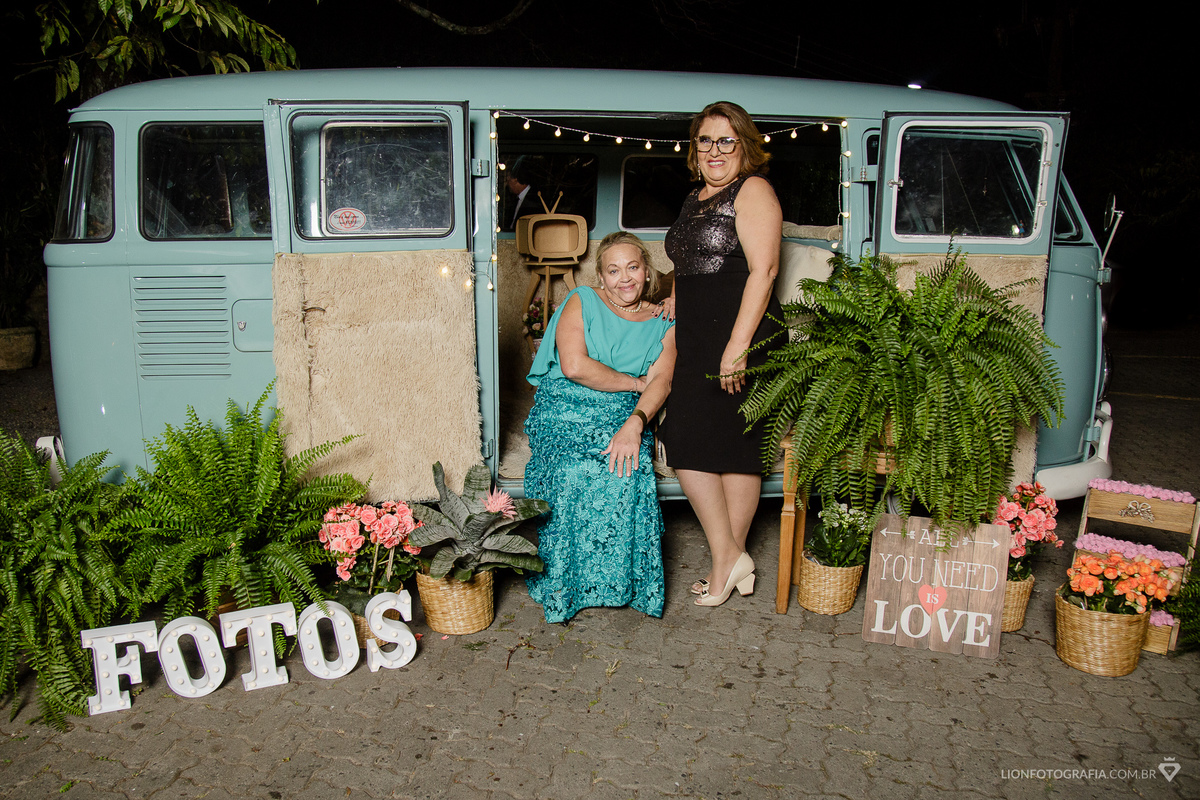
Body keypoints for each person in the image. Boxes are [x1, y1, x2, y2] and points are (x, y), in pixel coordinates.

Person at [656, 101, 783, 607]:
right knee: (688, 440)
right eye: (705, 140)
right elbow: (692, 261)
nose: (715, 150)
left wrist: (738, 346)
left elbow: (764, 271)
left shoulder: (753, 190)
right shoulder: (695, 197)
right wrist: (675, 295)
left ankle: (725, 563)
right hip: (697, 334)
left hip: (739, 335)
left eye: (726, 140)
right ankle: (732, 559)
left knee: (734, 451)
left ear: (744, 146)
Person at [524, 232, 677, 624]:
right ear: (602, 277)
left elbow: (661, 380)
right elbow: (574, 366)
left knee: (627, 468)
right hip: (565, 405)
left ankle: (621, 585)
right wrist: (633, 382)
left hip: (622, 412)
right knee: (571, 470)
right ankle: (566, 585)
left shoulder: (664, 320)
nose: (624, 278)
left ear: (647, 272)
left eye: (632, 267)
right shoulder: (582, 300)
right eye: (613, 270)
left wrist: (635, 424)